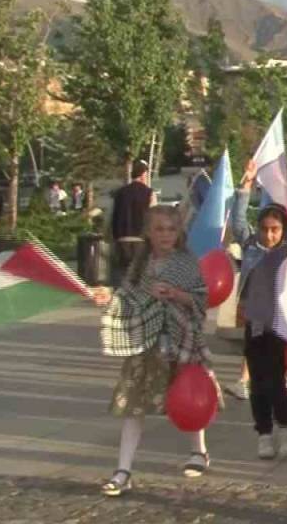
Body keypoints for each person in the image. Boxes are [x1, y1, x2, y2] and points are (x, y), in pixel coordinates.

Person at [91, 205, 217, 497]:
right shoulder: (141, 263)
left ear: (179, 232)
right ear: (148, 232)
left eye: (171, 229)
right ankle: (123, 470)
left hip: (180, 340)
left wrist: (176, 294)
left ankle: (199, 451)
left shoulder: (186, 262)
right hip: (146, 342)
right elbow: (127, 295)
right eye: (159, 229)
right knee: (133, 405)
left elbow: (201, 299)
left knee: (190, 397)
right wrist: (107, 296)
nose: (165, 235)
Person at [230, 160, 287, 460]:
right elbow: (237, 223)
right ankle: (264, 434)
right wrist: (245, 187)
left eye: (275, 230)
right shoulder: (251, 247)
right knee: (257, 382)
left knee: (277, 380)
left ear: (283, 230)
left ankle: (286, 429)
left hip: (279, 325)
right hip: (255, 324)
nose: (270, 235)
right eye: (265, 229)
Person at [110, 161, 156, 284]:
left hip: (121, 240)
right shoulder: (149, 193)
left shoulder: (119, 193)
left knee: (122, 275)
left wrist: (112, 238)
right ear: (143, 174)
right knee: (142, 276)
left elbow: (112, 217)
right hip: (141, 240)